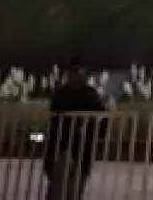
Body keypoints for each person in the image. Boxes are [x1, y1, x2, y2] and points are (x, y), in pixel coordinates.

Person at [44, 60, 105, 200]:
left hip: (81, 149)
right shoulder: (63, 95)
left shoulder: (89, 94)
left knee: (74, 189)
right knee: (59, 188)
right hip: (64, 147)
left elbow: (101, 116)